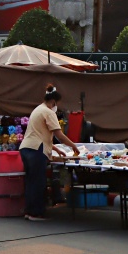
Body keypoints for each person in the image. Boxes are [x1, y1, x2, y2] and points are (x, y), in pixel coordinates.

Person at [18, 84, 82, 221]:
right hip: (36, 150)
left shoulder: (37, 110)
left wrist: (56, 149)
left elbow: (39, 134)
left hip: (26, 148)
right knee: (38, 182)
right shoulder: (48, 112)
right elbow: (59, 135)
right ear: (53, 101)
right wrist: (73, 146)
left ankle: (29, 211)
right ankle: (36, 213)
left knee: (30, 181)